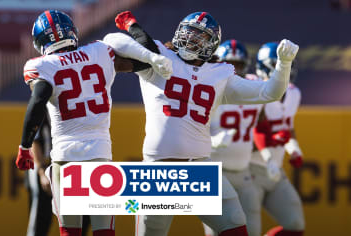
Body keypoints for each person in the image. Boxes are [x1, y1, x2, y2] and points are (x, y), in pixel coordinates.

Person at [112, 11, 299, 236]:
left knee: (236, 225)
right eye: (188, 33)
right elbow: (111, 42)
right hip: (159, 169)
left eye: (199, 37)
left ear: (211, 46)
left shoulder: (220, 73)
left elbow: (270, 92)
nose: (191, 40)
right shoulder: (159, 56)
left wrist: (284, 64)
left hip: (200, 167)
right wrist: (147, 52)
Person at [15, 10, 173, 236]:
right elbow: (147, 56)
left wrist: (25, 146)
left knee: (70, 232)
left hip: (66, 158)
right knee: (103, 231)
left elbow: (38, 101)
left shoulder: (43, 65)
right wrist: (133, 28)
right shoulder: (99, 52)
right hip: (99, 156)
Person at [202, 40, 263, 236]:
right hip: (214, 172)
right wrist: (212, 141)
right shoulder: (207, 86)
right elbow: (189, 131)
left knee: (251, 230)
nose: (233, 69)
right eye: (229, 63)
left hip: (243, 172)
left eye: (238, 65)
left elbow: (264, 119)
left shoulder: (255, 85)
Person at [250, 42, 305, 236]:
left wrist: (294, 149)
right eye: (280, 64)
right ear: (265, 67)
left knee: (295, 224)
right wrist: (274, 139)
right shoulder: (254, 90)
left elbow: (287, 129)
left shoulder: (293, 93)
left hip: (275, 170)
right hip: (249, 170)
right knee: (246, 230)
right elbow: (246, 138)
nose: (286, 69)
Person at [25, 117, 53, 236]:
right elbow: (34, 141)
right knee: (40, 218)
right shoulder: (42, 110)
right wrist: (42, 172)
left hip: (60, 168)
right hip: (42, 167)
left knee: (79, 218)